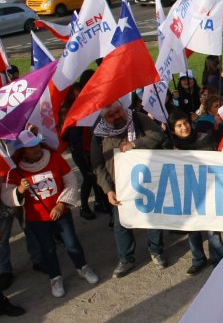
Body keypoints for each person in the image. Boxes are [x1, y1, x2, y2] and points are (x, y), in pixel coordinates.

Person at [1, 131, 100, 297]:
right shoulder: (15, 170)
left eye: (37, 145)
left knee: (72, 243)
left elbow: (71, 181)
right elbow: (6, 196)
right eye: (31, 148)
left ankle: (82, 268)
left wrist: (61, 205)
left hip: (61, 214)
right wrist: (19, 190)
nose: (36, 149)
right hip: (37, 219)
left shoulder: (55, 159)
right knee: (48, 250)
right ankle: (55, 278)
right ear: (23, 151)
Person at [91, 101, 170, 278]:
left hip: (147, 181)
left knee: (152, 219)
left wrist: (134, 144)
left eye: (118, 111)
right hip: (119, 187)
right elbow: (98, 165)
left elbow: (158, 135)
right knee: (122, 225)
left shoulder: (137, 118)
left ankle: (156, 250)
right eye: (111, 115)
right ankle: (126, 258)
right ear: (103, 118)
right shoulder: (98, 133)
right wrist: (108, 190)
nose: (117, 116)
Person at [168, 111, 223, 276]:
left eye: (185, 123)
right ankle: (198, 259)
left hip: (208, 189)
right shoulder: (170, 146)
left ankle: (218, 258)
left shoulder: (204, 138)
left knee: (212, 227)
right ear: (173, 130)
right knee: (192, 227)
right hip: (186, 191)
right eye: (178, 126)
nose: (184, 127)